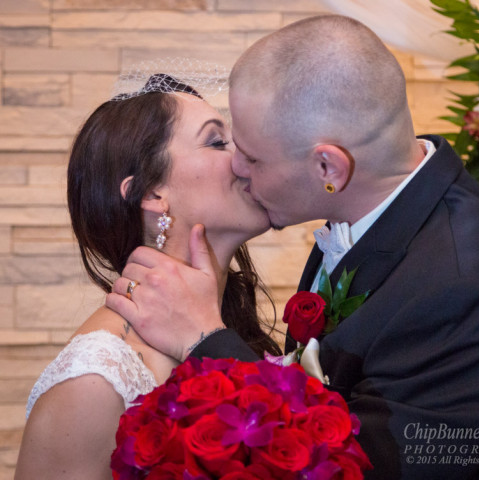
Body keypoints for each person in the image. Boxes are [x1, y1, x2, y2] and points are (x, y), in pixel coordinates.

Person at [107, 15, 479, 479]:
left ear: (329, 168)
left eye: (252, 155)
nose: (237, 167)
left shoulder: (465, 295)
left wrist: (205, 340)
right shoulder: (376, 212)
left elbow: (353, 471)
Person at [14, 70, 281, 479]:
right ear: (151, 194)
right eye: (216, 142)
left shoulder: (227, 325)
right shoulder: (96, 378)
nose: (243, 157)